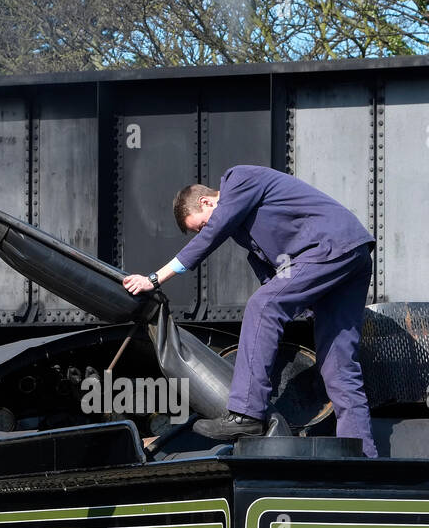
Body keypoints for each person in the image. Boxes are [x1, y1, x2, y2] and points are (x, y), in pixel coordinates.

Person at [122, 164, 378, 456]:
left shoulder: (238, 179)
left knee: (262, 305)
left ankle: (246, 413)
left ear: (207, 202)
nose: (204, 231)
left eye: (200, 225)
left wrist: (154, 278)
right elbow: (279, 279)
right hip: (349, 256)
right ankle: (363, 458)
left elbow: (214, 234)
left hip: (332, 246)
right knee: (338, 366)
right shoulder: (253, 239)